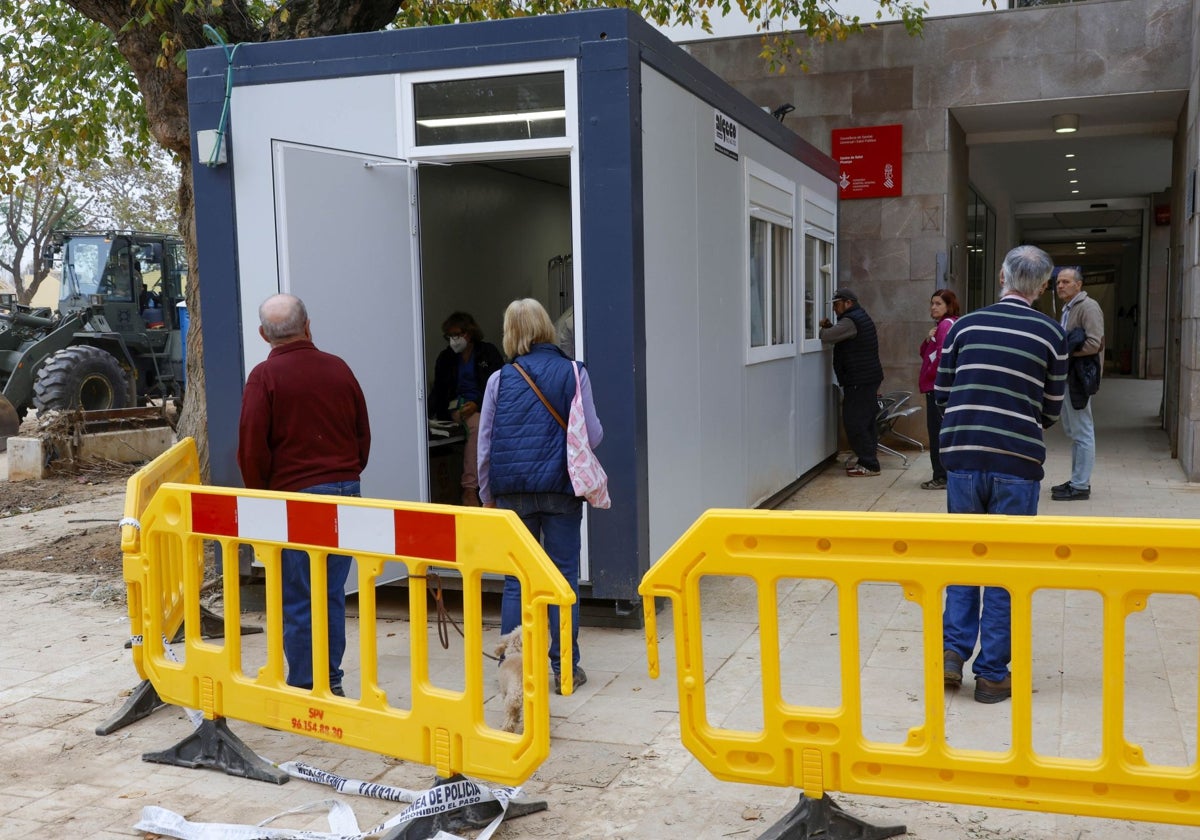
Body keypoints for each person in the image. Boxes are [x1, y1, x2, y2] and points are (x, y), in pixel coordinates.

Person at [935, 245, 1068, 704]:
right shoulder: (1053, 334)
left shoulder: (965, 326)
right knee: (1007, 570)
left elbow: (942, 393)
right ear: (1044, 286)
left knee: (964, 558)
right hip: (1017, 464)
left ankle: (952, 654)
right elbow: (1051, 409)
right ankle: (992, 675)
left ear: (1001, 277)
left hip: (964, 459)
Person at [237, 293, 371, 696]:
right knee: (329, 592)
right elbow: (362, 433)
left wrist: (261, 498)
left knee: (297, 595)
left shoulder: (264, 377)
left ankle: (303, 685)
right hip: (346, 491)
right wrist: (347, 473)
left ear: (263, 334)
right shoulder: (339, 369)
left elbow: (251, 448)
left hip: (296, 499)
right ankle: (330, 680)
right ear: (308, 325)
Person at [477, 298, 603, 694]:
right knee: (563, 577)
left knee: (517, 581)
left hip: (513, 490)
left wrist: (486, 495)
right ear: (547, 327)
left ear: (510, 333)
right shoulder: (573, 372)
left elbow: (485, 444)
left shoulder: (500, 379)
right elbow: (593, 435)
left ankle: (515, 670)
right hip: (561, 488)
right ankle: (565, 669)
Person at [429, 311, 503, 506]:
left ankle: (469, 489)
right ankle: (471, 489)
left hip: (483, 409)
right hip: (455, 411)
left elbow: (497, 384)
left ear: (468, 333)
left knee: (478, 425)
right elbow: (439, 391)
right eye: (449, 336)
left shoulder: (488, 352)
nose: (453, 340)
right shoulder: (445, 358)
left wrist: (477, 403)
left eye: (456, 335)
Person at [1051, 266, 1104, 502]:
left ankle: (1080, 485)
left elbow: (1095, 343)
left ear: (1078, 285)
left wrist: (1067, 352)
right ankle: (1076, 479)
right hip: (1069, 375)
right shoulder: (1069, 308)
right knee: (1074, 431)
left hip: (1079, 377)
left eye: (1065, 282)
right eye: (1058, 282)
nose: (1060, 286)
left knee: (1082, 431)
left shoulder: (1088, 307)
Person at [819, 288, 884, 477]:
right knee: (866, 422)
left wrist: (821, 327)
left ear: (848, 303)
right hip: (866, 378)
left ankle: (869, 464)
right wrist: (832, 326)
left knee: (855, 422)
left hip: (859, 379)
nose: (834, 309)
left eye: (837, 304)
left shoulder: (850, 320)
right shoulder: (858, 317)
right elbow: (843, 336)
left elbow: (827, 336)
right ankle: (868, 460)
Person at [918, 289, 960, 490]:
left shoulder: (945, 325)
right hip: (940, 387)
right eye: (932, 303)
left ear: (948, 306)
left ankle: (941, 476)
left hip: (937, 388)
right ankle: (944, 474)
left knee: (937, 434)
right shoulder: (946, 325)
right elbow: (925, 353)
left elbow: (942, 358)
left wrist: (931, 376)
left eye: (938, 304)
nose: (933, 307)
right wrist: (928, 340)